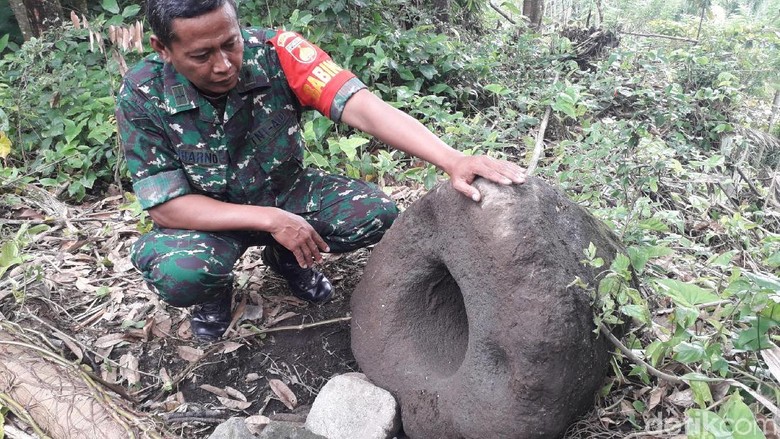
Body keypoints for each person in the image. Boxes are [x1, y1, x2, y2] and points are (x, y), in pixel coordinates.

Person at [116, 0, 526, 341]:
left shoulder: (280, 52)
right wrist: (271, 220)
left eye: (231, 44)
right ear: (163, 48)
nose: (224, 65)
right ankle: (214, 292)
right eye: (202, 55)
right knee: (181, 274)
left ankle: (289, 257)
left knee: (377, 216)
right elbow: (167, 207)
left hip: (286, 191)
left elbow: (364, 108)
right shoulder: (142, 93)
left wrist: (452, 159)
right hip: (208, 219)